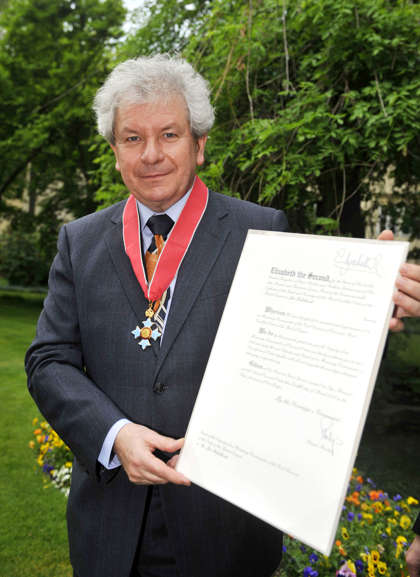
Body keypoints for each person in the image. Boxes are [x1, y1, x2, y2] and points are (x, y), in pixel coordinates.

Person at [25, 55, 420, 577]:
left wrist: (373, 300)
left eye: (169, 134)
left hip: (227, 524)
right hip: (111, 524)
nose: (151, 155)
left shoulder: (262, 231)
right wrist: (114, 433)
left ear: (200, 144)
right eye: (132, 138)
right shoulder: (80, 242)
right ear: (115, 150)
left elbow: (304, 342)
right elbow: (49, 360)